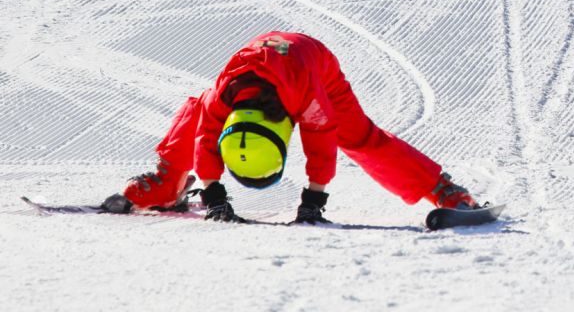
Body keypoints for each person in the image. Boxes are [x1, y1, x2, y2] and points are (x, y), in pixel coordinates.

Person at [114, 31, 479, 222]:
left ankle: (444, 190)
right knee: (200, 112)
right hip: (267, 66)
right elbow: (206, 137)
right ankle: (168, 182)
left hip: (316, 66)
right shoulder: (225, 94)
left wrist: (313, 201)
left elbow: (322, 144)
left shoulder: (309, 98)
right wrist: (213, 196)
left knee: (357, 137)